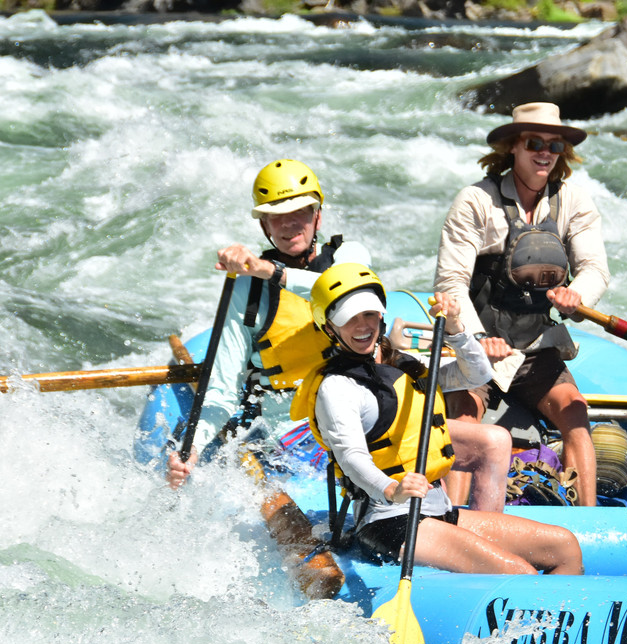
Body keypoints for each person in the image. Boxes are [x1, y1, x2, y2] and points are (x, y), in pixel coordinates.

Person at [292, 262, 583, 575]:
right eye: (348, 318)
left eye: (368, 313)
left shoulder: (401, 365)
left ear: (381, 314)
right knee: (518, 571)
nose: (362, 325)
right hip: (389, 521)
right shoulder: (336, 388)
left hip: (438, 510)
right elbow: (351, 457)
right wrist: (392, 489)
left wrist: (458, 331)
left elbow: (478, 374)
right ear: (329, 327)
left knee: (565, 547)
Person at [434, 101, 610, 507]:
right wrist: (477, 340)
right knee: (464, 415)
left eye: (554, 145)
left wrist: (576, 295)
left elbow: (595, 270)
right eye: (534, 142)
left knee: (576, 415)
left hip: (536, 346)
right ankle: (454, 519)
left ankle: (586, 522)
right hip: (477, 349)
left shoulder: (574, 202)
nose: (545, 152)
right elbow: (451, 283)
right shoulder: (476, 201)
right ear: (513, 147)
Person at [166, 158, 372, 488]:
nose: (290, 224)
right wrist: (190, 451)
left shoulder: (351, 256)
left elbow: (343, 290)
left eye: (300, 212)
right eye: (277, 217)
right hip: (289, 425)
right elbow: (223, 388)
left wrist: (269, 271)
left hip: (360, 405)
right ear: (265, 226)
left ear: (317, 216)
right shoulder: (247, 287)